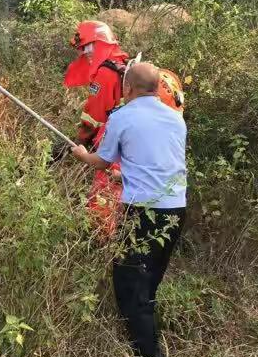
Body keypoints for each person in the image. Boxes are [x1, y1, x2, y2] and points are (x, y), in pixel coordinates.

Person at [71, 62, 187, 357]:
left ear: (129, 88)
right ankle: (141, 334)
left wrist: (82, 154)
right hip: (176, 209)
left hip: (144, 212)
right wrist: (129, 177)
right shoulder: (176, 119)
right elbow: (155, 164)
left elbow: (101, 161)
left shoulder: (122, 117)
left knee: (129, 281)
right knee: (148, 282)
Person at [63, 20, 185, 241]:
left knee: (105, 191)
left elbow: (95, 115)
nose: (85, 55)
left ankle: (101, 238)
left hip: (119, 139)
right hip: (148, 153)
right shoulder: (122, 63)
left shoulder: (104, 73)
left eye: (86, 49)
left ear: (95, 45)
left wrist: (81, 142)